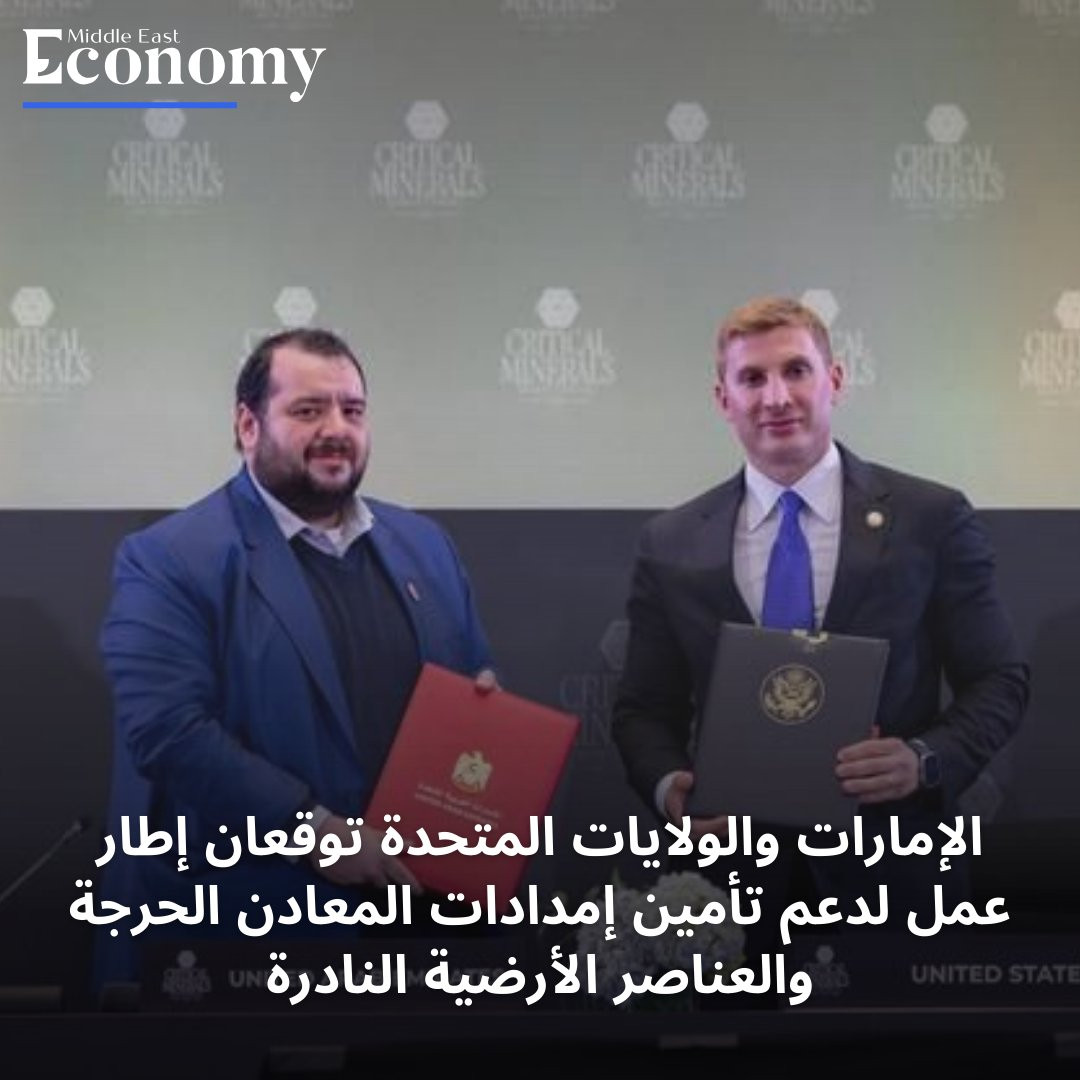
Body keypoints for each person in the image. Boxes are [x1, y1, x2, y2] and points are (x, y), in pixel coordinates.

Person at [611, 296, 1029, 925]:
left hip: (895, 879)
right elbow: (643, 710)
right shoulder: (670, 543)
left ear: (834, 380)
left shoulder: (930, 518)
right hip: (732, 891)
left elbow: (999, 680)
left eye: (796, 370)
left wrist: (922, 760)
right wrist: (672, 790)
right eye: (752, 378)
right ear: (723, 399)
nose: (776, 397)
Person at [96, 328, 494, 986]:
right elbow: (167, 732)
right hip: (255, 937)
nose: (336, 429)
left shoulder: (427, 546)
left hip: (425, 931)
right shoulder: (170, 558)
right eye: (308, 410)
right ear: (248, 426)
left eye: (352, 410)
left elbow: (476, 690)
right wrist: (311, 830)